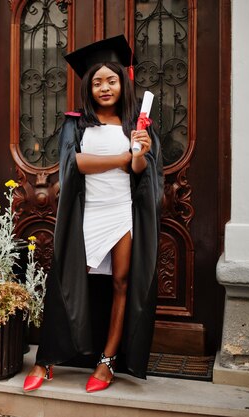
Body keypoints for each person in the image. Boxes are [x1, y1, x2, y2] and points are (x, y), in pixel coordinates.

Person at [22, 35, 164, 393]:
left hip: (122, 213)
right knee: (68, 282)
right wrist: (122, 158)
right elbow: (75, 164)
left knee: (120, 284)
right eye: (98, 81)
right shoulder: (76, 123)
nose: (105, 87)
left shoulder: (138, 125)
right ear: (89, 86)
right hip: (88, 214)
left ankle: (107, 361)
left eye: (111, 80)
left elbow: (140, 171)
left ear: (123, 83)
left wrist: (139, 153)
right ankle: (47, 359)